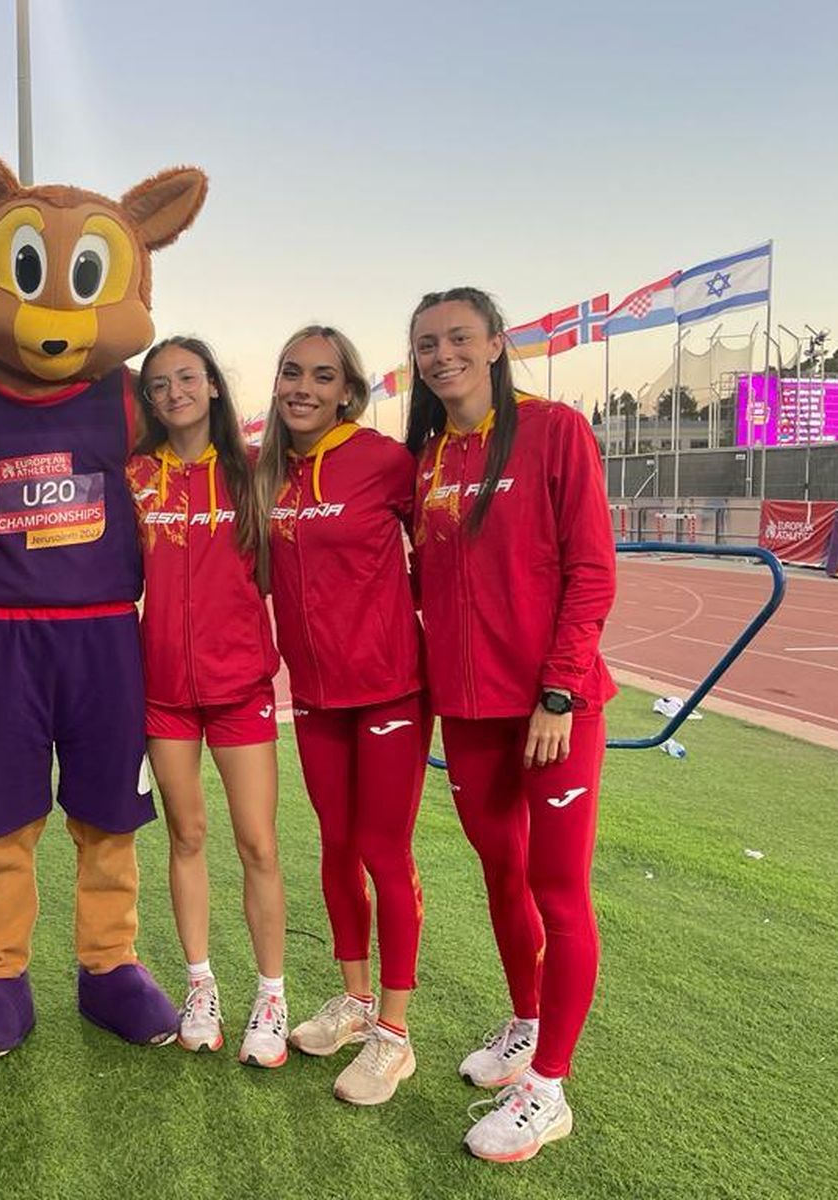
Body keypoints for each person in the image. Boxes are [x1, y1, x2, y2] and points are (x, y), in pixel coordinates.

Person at [405, 287, 617, 1161]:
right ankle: (525, 1024)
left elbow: (591, 570)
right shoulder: (427, 459)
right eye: (426, 343)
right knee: (503, 877)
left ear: (495, 344)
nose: (441, 353)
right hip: (471, 712)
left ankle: (550, 1088)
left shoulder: (556, 430)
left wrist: (560, 692)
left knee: (559, 894)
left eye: (458, 337)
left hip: (551, 712)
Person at [255, 326, 430, 1106]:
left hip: (390, 691)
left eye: (321, 376)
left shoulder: (385, 461)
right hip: (317, 698)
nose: (302, 387)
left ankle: (395, 1036)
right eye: (292, 372)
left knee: (383, 852)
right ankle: (356, 1003)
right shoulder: (269, 473)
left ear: (348, 391)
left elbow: (447, 549)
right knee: (335, 846)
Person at [125, 337, 286, 1067]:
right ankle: (200, 985)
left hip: (239, 690)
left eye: (187, 378)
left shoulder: (254, 474)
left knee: (257, 843)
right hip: (163, 695)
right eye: (159, 385)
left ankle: (272, 996)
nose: (174, 393)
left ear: (214, 386)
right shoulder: (136, 477)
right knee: (185, 837)